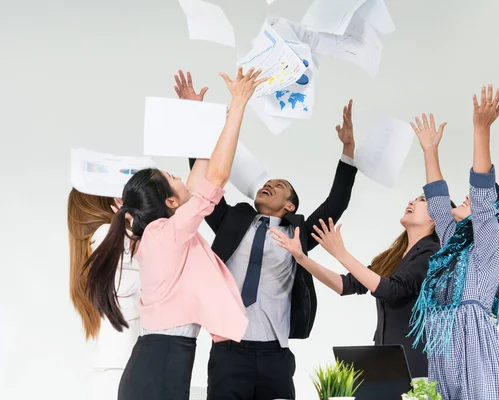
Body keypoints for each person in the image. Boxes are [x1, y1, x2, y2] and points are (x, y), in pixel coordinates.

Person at [83, 67, 266, 400]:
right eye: (173, 176)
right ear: (169, 201)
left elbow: (204, 169)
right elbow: (217, 177)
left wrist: (196, 114)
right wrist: (238, 103)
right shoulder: (167, 234)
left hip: (159, 362)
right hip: (161, 367)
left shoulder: (159, 233)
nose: (182, 178)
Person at [175, 71, 359, 400]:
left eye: (280, 185)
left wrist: (348, 150)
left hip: (275, 354)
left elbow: (336, 202)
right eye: (267, 182)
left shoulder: (297, 234)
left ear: (289, 204)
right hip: (228, 350)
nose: (269, 184)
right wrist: (194, 115)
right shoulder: (232, 220)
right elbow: (205, 182)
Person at [409, 85, 499, 399]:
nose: (465, 200)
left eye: (473, 203)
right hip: (444, 343)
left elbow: (481, 194)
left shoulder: (490, 247)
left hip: (472, 345)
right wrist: (429, 151)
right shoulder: (455, 246)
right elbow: (438, 205)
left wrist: (481, 130)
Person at [270, 195, 444, 378]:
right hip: (387, 358)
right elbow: (344, 285)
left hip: (416, 363)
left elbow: (392, 290)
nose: (411, 202)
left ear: (436, 216)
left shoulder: (432, 253)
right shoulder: (393, 256)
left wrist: (341, 254)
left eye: (422, 200)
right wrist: (301, 258)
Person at [67, 191, 140, 400]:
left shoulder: (91, 242)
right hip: (123, 367)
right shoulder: (106, 234)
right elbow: (148, 278)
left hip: (113, 367)